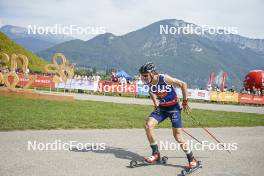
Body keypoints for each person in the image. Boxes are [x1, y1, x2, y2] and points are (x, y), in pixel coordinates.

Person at [139, 62, 198, 169]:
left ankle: (191, 159)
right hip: (162, 108)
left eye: (145, 75)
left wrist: (185, 102)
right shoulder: (149, 82)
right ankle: (155, 154)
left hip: (173, 109)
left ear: (152, 73)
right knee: (148, 125)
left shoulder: (164, 78)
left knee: (178, 137)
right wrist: (155, 103)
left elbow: (183, 84)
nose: (143, 77)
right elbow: (152, 92)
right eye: (142, 75)